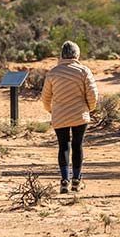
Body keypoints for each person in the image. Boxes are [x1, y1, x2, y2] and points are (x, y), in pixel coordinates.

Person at [41, 40, 98, 194]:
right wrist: (89, 109)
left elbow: (45, 97)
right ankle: (77, 180)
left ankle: (64, 180)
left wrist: (51, 111)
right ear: (77, 54)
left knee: (63, 145)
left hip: (59, 115)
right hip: (80, 114)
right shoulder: (84, 71)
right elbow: (92, 95)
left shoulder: (53, 73)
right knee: (77, 145)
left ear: (62, 55)